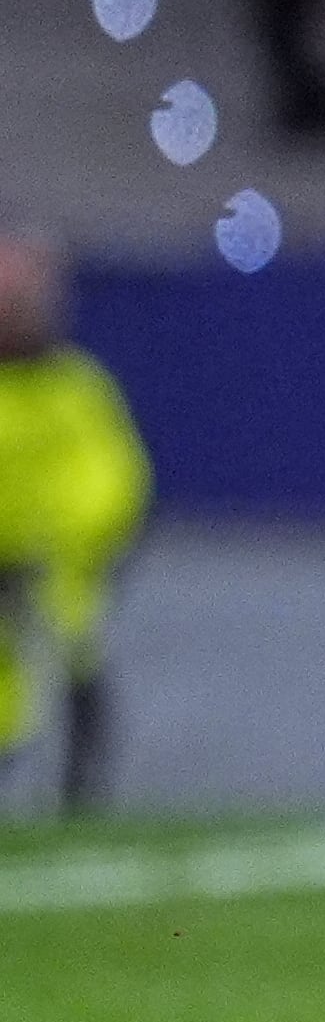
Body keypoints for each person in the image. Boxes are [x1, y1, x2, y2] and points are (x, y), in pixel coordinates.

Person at [0, 229, 152, 815]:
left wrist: (59, 543)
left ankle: (77, 795)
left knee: (72, 658)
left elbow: (114, 481)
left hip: (50, 574)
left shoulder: (76, 389)